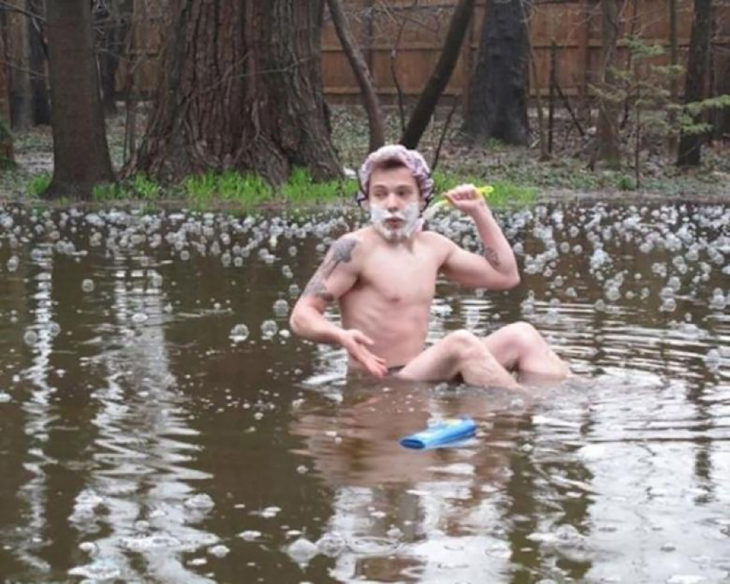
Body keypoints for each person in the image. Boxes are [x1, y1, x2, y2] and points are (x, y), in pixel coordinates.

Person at [289, 144, 570, 389]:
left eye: (402, 193)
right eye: (380, 194)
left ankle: (573, 399)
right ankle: (522, 406)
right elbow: (301, 315)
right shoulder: (353, 248)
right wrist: (340, 336)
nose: (392, 204)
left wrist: (480, 212)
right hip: (382, 381)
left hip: (424, 371)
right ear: (367, 201)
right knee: (461, 343)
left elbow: (505, 276)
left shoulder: (434, 246)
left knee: (523, 335)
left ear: (421, 199)